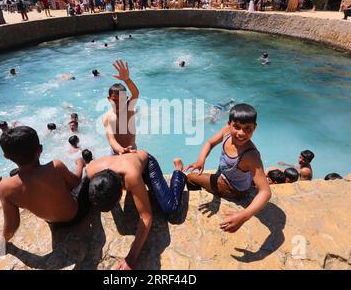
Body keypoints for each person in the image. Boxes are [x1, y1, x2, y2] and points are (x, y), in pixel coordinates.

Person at [0, 126, 87, 258]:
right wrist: (80, 164)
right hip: (76, 215)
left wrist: (1, 240)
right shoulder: (55, 166)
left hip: (53, 223)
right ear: (40, 149)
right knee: (88, 177)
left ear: (6, 157)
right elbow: (76, 182)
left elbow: (12, 225)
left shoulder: (5, 188)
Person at [85, 150, 187, 269]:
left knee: (171, 208)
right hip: (126, 162)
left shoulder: (131, 177)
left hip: (146, 165)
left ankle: (178, 170)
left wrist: (131, 258)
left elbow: (146, 217)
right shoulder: (91, 171)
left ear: (120, 192)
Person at [184, 103, 271, 233]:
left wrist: (243, 216)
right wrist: (201, 160)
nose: (241, 133)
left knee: (190, 177)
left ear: (255, 128)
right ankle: (211, 190)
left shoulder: (251, 156)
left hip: (233, 188)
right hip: (229, 176)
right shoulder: (226, 132)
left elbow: (266, 192)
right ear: (229, 124)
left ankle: (200, 195)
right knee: (201, 174)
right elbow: (210, 142)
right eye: (237, 127)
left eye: (248, 129)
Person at [103, 60, 139, 155]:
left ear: (126, 99)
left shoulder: (129, 108)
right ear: (109, 99)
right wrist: (120, 150)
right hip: (116, 152)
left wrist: (127, 79)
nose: (119, 104)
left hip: (132, 148)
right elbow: (111, 139)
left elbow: (135, 93)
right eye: (115, 100)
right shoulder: (107, 117)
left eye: (122, 100)